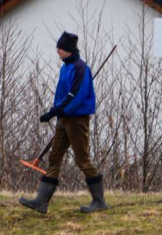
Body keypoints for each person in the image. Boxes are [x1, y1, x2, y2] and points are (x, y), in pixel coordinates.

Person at [19, 31, 108, 214]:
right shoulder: (65, 68)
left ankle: (99, 200)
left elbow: (76, 94)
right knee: (54, 158)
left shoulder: (80, 68)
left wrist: (57, 110)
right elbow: (63, 94)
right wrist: (55, 111)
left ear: (68, 49)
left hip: (76, 118)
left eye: (60, 48)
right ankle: (41, 201)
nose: (57, 51)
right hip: (63, 118)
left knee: (82, 160)